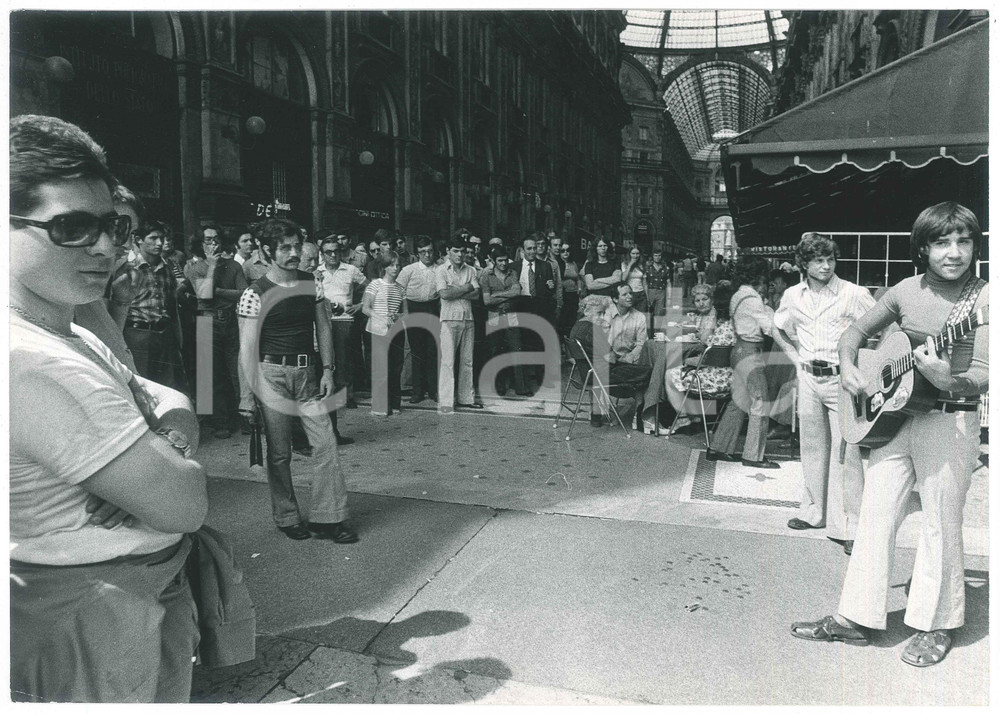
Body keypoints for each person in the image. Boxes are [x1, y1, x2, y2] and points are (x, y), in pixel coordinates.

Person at [10, 113, 210, 702]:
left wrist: (158, 443)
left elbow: (169, 401)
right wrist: (164, 462)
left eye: (111, 227)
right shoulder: (29, 362)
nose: (105, 247)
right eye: (71, 226)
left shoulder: (69, 331)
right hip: (87, 618)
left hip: (129, 604)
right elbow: (185, 503)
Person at [792, 202, 988, 667]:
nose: (954, 252)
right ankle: (855, 617)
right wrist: (849, 370)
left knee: (941, 521)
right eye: (942, 242)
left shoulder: (984, 301)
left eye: (964, 241)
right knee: (875, 515)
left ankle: (937, 623)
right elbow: (855, 332)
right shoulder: (904, 289)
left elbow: (983, 373)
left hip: (949, 416)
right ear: (923, 248)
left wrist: (948, 379)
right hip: (896, 418)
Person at [237, 218, 358, 544]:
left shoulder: (312, 284)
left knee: (326, 444)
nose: (293, 253)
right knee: (279, 453)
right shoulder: (253, 293)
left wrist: (329, 370)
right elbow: (246, 349)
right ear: (266, 250)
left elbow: (324, 328)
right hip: (270, 377)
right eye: (284, 247)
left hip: (308, 375)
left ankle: (328, 518)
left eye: (295, 246)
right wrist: (246, 395)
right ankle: (287, 516)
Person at [771, 234, 874, 554]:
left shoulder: (853, 294)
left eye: (830, 259)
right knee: (813, 448)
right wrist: (795, 359)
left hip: (841, 380)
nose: (826, 266)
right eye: (818, 261)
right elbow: (777, 326)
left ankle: (848, 525)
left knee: (846, 451)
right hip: (809, 380)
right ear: (804, 264)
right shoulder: (792, 296)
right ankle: (814, 512)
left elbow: (882, 327)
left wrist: (862, 366)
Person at [706, 256, 777, 468]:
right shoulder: (753, 299)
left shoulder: (739, 295)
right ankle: (753, 456)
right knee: (759, 401)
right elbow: (769, 327)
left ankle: (718, 447)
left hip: (738, 349)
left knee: (738, 402)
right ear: (759, 276)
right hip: (750, 351)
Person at [184, 228, 248, 438]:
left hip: (232, 320)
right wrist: (211, 267)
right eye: (208, 240)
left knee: (238, 371)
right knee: (210, 374)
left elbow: (244, 294)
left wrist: (219, 291)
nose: (214, 245)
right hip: (206, 320)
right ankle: (220, 422)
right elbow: (204, 295)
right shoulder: (194, 267)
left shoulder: (234, 266)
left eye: (217, 239)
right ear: (200, 244)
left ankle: (247, 418)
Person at [114, 219, 187, 393]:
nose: (160, 243)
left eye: (162, 238)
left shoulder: (168, 268)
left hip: (164, 335)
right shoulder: (127, 268)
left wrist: (178, 340)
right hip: (137, 335)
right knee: (142, 387)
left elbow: (172, 306)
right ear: (138, 239)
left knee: (169, 388)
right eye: (153, 238)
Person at [570, 293, 651, 428]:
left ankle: (596, 415)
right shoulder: (594, 330)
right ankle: (641, 416)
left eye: (603, 313)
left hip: (585, 374)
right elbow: (612, 359)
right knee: (648, 372)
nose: (602, 317)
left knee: (636, 371)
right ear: (586, 311)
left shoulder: (576, 327)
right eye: (599, 313)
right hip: (602, 375)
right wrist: (622, 357)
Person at [316, 234, 368, 408]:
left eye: (335, 251)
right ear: (322, 254)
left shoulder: (350, 270)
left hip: (344, 319)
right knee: (324, 358)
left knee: (345, 358)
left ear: (340, 252)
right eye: (328, 252)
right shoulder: (316, 272)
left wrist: (360, 305)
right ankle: (326, 392)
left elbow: (371, 287)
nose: (332, 255)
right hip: (322, 319)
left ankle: (347, 395)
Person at [435, 235, 483, 412]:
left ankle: (466, 398)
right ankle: (446, 402)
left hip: (468, 317)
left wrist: (455, 290)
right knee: (448, 361)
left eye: (462, 251)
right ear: (448, 251)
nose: (459, 255)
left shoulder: (470, 270)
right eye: (455, 251)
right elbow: (444, 295)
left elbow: (477, 295)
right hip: (448, 318)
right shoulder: (441, 270)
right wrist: (466, 288)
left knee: (467, 360)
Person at [511, 234, 558, 390]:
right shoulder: (514, 267)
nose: (532, 251)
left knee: (539, 343)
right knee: (522, 344)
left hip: (539, 308)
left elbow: (550, 291)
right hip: (521, 307)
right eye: (528, 248)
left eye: (534, 248)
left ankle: (540, 378)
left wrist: (551, 287)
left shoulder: (545, 266)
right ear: (522, 250)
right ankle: (523, 380)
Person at [362, 250, 406, 416]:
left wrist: (397, 316)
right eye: (392, 265)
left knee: (395, 368)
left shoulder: (401, 289)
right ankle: (380, 405)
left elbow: (406, 313)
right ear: (384, 267)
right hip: (377, 331)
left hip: (396, 331)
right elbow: (366, 308)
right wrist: (381, 317)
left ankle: (395, 404)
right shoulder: (375, 284)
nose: (396, 268)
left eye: (397, 265)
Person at [397, 236, 440, 403]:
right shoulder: (409, 270)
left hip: (433, 309)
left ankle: (434, 391)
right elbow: (399, 290)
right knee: (416, 352)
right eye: (423, 252)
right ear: (417, 253)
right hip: (414, 309)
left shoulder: (440, 269)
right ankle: (417, 392)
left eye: (430, 251)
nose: (427, 255)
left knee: (433, 351)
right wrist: (405, 312)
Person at [480, 246, 525, 396]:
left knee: (516, 348)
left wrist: (497, 295)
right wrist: (508, 294)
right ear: (493, 261)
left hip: (511, 314)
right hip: (493, 315)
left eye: (506, 260)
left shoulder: (513, 272)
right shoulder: (487, 275)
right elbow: (486, 300)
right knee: (495, 350)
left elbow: (517, 291)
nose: (504, 264)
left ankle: (520, 386)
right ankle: (499, 385)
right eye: (500, 261)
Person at [557, 242, 582, 337]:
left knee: (572, 318)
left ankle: (569, 339)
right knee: (563, 319)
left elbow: (578, 278)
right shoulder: (558, 264)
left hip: (573, 294)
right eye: (562, 251)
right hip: (564, 294)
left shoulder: (573, 263)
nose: (565, 253)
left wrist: (579, 288)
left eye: (568, 250)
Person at [645, 243, 670, 333]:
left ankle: (657, 332)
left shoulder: (665, 268)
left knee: (659, 314)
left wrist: (669, 296)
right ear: (652, 257)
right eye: (655, 256)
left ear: (661, 257)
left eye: (659, 256)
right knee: (649, 314)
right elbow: (645, 282)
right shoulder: (648, 268)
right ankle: (649, 333)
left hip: (661, 291)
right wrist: (646, 294)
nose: (657, 257)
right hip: (650, 290)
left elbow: (668, 282)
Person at [620, 246, 647, 314]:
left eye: (637, 253)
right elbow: (623, 278)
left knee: (641, 316)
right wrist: (630, 264)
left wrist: (647, 296)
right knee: (629, 316)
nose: (635, 256)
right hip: (630, 294)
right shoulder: (624, 264)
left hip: (641, 294)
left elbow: (644, 282)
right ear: (629, 254)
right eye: (633, 253)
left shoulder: (642, 265)